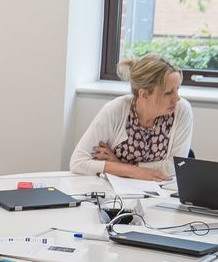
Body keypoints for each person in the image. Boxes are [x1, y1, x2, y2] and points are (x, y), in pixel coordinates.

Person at [69, 53, 194, 182]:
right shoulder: (115, 110)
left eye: (177, 89)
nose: (177, 98)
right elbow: (78, 162)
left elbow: (175, 166)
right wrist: (135, 171)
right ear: (144, 94)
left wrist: (118, 165)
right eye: (168, 93)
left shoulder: (182, 110)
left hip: (160, 192)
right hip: (116, 193)